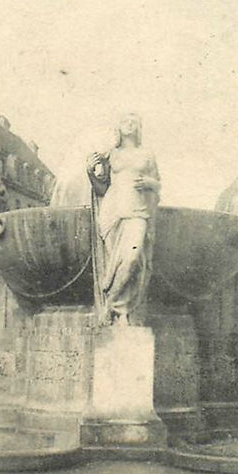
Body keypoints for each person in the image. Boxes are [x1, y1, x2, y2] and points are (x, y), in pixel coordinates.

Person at [86, 113, 162, 326]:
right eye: (124, 121)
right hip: (113, 213)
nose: (129, 124)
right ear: (118, 127)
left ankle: (110, 304)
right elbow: (102, 188)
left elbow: (158, 185)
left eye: (133, 120)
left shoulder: (147, 154)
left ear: (139, 127)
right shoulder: (111, 154)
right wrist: (90, 172)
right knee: (117, 261)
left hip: (138, 212)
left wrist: (149, 182)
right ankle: (121, 313)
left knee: (132, 259)